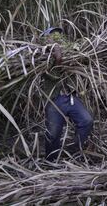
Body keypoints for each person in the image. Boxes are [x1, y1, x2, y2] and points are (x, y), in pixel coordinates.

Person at [40, 27, 93, 161]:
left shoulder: (69, 52)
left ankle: (74, 152)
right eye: (52, 35)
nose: (56, 37)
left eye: (58, 35)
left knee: (86, 121)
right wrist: (57, 61)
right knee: (53, 134)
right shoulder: (41, 56)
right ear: (46, 39)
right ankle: (51, 162)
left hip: (70, 98)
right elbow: (48, 76)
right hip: (54, 100)